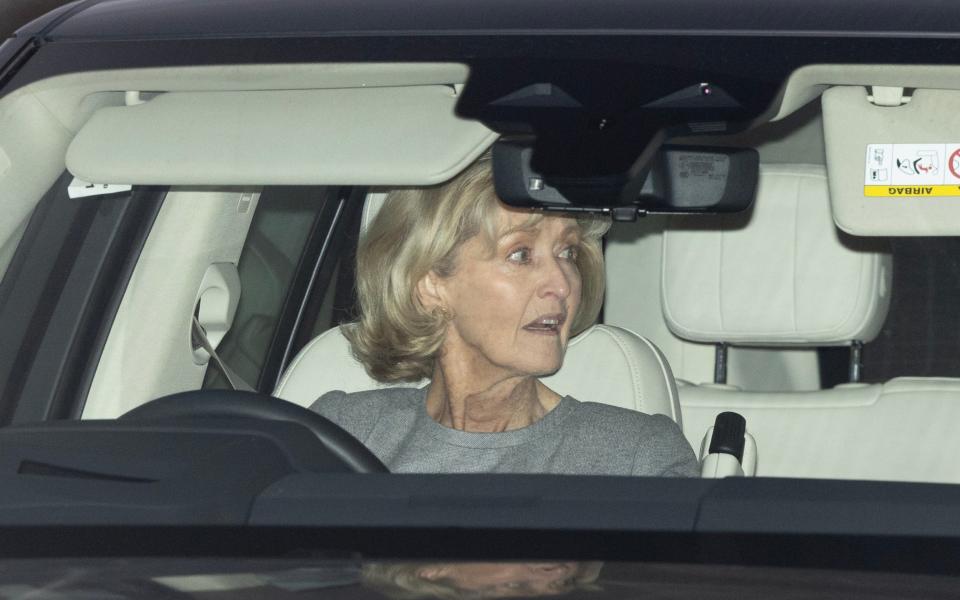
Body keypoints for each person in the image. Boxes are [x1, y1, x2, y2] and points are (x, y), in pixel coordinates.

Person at [311, 157, 698, 476]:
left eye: (567, 252)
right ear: (430, 285)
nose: (561, 284)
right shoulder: (344, 433)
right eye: (521, 255)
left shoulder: (635, 458)